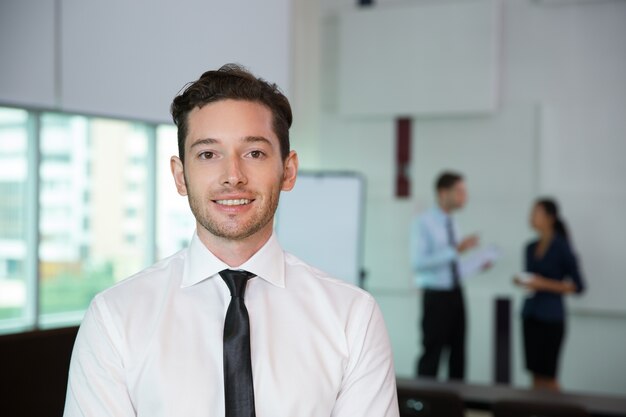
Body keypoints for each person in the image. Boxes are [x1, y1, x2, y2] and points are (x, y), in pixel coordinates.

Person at [63, 64, 399, 417]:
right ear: (180, 176)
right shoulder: (116, 318)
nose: (233, 176)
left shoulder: (351, 317)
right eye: (208, 154)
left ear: (288, 170)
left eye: (254, 153)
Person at [410, 171, 488, 381]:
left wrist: (478, 265)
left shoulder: (452, 222)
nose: (465, 196)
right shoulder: (423, 222)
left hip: (456, 293)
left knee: (459, 354)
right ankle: (422, 406)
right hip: (436, 296)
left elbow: (453, 266)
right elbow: (418, 263)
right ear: (443, 193)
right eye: (460, 191)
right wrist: (455, 250)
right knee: (432, 355)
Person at [514, 198, 585, 391]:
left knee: (549, 376)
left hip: (551, 317)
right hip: (530, 314)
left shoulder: (561, 246)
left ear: (550, 217)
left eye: (536, 213)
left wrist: (544, 284)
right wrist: (524, 281)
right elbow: (532, 280)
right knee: (535, 374)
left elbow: (578, 286)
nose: (531, 217)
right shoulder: (529, 247)